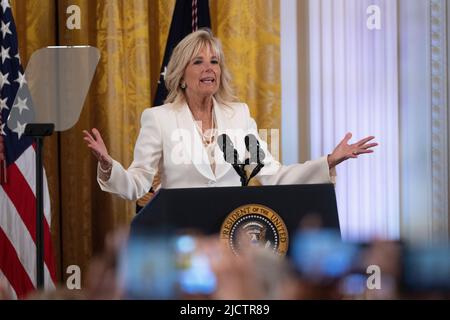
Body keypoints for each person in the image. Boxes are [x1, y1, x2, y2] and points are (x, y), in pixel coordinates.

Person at [83, 29, 377, 200]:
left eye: (214, 61)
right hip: (182, 237)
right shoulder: (159, 118)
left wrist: (328, 161)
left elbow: (272, 175)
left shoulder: (237, 116)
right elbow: (137, 185)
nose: (209, 68)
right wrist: (110, 167)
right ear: (181, 75)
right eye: (198, 62)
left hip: (232, 235)